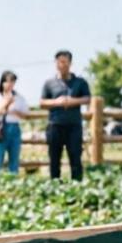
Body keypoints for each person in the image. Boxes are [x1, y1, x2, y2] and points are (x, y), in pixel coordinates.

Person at [39, 51, 91, 180]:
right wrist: (57, 102)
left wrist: (72, 101)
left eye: (65, 62)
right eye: (60, 62)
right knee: (54, 159)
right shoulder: (49, 83)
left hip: (74, 126)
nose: (62, 65)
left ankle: (77, 187)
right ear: (56, 63)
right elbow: (42, 102)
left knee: (75, 158)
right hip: (55, 126)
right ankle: (55, 186)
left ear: (70, 63)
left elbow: (87, 98)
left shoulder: (80, 82)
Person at [0, 71, 28, 174]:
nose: (10, 84)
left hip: (14, 128)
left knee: (14, 159)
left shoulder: (19, 97)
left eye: (12, 82)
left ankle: (14, 182)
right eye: (7, 82)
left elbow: (25, 115)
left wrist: (14, 111)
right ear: (2, 83)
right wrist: (5, 103)